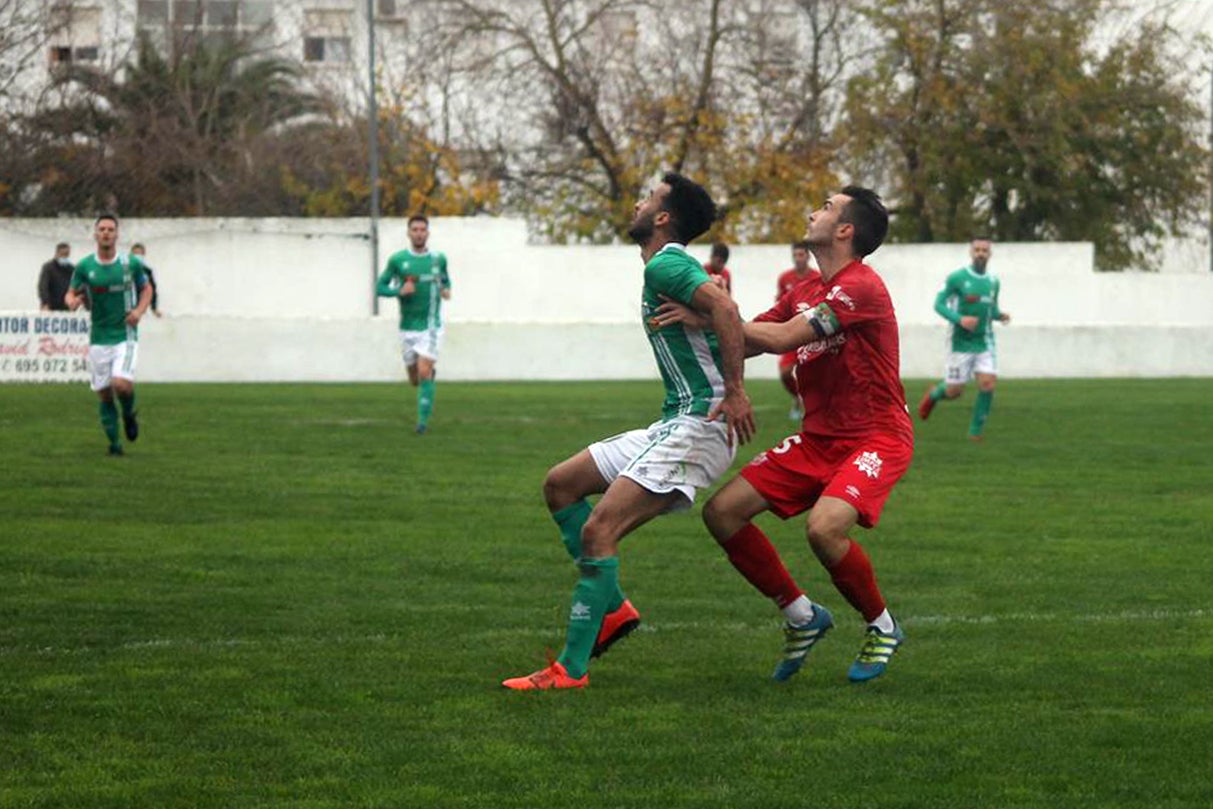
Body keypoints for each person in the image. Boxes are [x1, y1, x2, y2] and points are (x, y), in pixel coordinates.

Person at [502, 172, 756, 691]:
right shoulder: (671, 267)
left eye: (648, 199)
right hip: (675, 420)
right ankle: (613, 610)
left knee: (598, 532)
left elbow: (727, 310)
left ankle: (569, 671)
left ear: (662, 218)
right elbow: (722, 312)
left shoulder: (666, 262)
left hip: (701, 423)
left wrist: (735, 391)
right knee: (561, 484)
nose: (638, 204)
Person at [654, 186, 911, 684]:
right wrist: (710, 320)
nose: (813, 211)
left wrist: (714, 314)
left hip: (875, 437)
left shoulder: (862, 287)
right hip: (819, 439)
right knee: (722, 513)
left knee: (824, 528)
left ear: (845, 230)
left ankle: (882, 625)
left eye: (826, 207)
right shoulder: (804, 292)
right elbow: (747, 340)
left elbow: (781, 338)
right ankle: (801, 616)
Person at [64, 214, 154, 457]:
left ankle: (128, 414)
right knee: (104, 394)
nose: (106, 233)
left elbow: (146, 288)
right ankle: (114, 446)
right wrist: (73, 301)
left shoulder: (130, 264)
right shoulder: (85, 266)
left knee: (121, 385)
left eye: (110, 229)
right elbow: (70, 293)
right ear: (95, 234)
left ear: (116, 235)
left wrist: (138, 311)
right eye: (101, 229)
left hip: (124, 334)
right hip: (98, 337)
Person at [916, 238, 1011, 440]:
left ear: (990, 253)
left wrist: (999, 315)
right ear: (971, 252)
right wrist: (960, 319)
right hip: (960, 343)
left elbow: (990, 309)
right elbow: (939, 305)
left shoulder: (993, 281)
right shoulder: (957, 278)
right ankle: (934, 394)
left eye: (984, 250)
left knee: (988, 384)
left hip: (984, 341)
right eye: (977, 250)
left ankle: (975, 432)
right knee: (954, 391)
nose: (980, 253)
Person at [375, 214, 450, 434]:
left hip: (431, 326)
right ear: (409, 233)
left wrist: (446, 289)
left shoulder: (438, 259)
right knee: (415, 379)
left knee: (424, 372)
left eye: (422, 229)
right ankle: (426, 377)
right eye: (415, 229)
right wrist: (398, 291)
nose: (419, 233)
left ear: (428, 233)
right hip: (407, 327)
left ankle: (422, 425)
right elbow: (380, 287)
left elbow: (445, 278)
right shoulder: (398, 260)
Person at [775, 240, 813, 420]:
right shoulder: (785, 278)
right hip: (791, 333)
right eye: (796, 255)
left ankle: (815, 409)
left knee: (815, 376)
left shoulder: (817, 277)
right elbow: (780, 305)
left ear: (808, 256)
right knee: (784, 373)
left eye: (802, 254)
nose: (798, 258)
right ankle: (797, 398)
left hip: (812, 333)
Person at [38, 242, 74, 311]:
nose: (65, 257)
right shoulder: (48, 268)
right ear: (57, 254)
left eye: (67, 255)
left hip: (67, 308)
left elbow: (76, 286)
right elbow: (43, 287)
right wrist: (45, 303)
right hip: (50, 307)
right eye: (62, 255)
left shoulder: (71, 269)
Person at [129, 243, 162, 317]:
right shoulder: (126, 269)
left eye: (140, 254)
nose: (138, 256)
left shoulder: (147, 271)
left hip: (141, 308)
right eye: (135, 253)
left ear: (144, 254)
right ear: (131, 255)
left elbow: (152, 290)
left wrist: (154, 308)